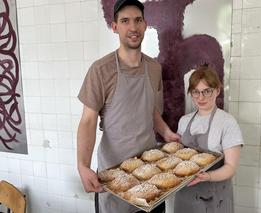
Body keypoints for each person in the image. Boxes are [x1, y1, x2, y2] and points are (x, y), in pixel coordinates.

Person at [76, 0, 180, 212]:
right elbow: (88, 120)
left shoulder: (154, 68)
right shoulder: (100, 70)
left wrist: (166, 132)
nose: (133, 27)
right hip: (114, 176)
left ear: (145, 25)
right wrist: (82, 165)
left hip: (151, 171)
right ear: (115, 27)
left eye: (137, 20)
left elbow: (150, 110)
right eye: (125, 21)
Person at [166, 65, 243, 213]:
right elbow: (179, 157)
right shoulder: (184, 121)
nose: (201, 97)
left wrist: (207, 176)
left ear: (217, 91)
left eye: (207, 91)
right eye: (196, 92)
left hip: (214, 198)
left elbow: (231, 167)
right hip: (186, 195)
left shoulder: (227, 122)